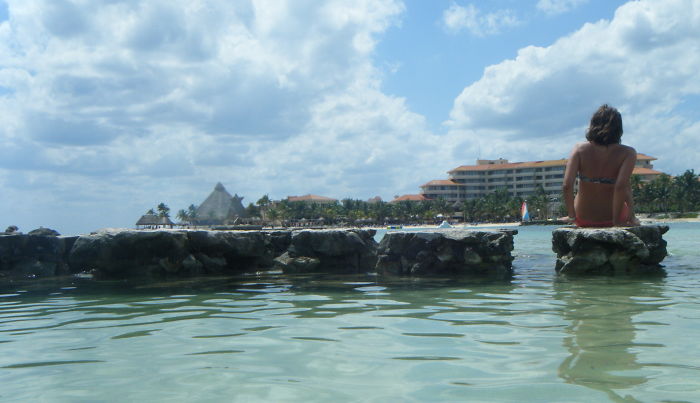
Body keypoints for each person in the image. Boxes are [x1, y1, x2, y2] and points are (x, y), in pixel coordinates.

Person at [561, 104, 640, 227]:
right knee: (626, 184)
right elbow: (620, 187)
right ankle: (632, 217)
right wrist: (617, 222)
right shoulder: (628, 153)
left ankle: (571, 217)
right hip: (614, 217)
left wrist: (572, 216)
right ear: (619, 128)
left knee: (624, 184)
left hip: (583, 218)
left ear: (593, 125)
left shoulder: (579, 149)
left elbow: (567, 185)